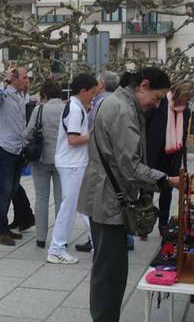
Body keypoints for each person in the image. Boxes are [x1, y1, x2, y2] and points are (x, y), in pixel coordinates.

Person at [78, 68, 180, 322]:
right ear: (143, 85)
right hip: (108, 197)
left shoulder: (121, 104)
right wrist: (167, 180)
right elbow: (130, 166)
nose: (155, 105)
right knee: (110, 272)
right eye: (156, 98)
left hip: (106, 193)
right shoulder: (123, 110)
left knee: (108, 269)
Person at [47, 73, 98, 264]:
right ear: (83, 91)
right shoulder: (76, 109)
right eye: (92, 92)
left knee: (81, 206)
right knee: (70, 207)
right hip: (72, 163)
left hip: (73, 162)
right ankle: (56, 248)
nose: (93, 96)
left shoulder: (76, 106)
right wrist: (94, 134)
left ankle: (96, 243)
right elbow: (73, 139)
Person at [145, 80, 194, 237]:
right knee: (148, 190)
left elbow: (182, 137)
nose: (188, 101)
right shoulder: (159, 104)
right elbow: (145, 126)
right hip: (154, 154)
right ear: (180, 93)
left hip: (172, 156)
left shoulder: (185, 111)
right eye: (187, 97)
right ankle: (145, 223)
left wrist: (183, 162)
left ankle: (163, 224)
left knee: (167, 192)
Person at [0, 67, 34, 246]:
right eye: (24, 77)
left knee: (13, 189)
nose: (27, 81)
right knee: (4, 190)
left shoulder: (23, 96)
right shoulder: (4, 93)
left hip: (17, 148)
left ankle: (7, 227)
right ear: (14, 79)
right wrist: (5, 81)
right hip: (4, 148)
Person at [76, 71, 120, 253]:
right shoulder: (116, 102)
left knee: (97, 201)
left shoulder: (102, 103)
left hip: (101, 161)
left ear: (101, 85)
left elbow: (95, 133)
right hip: (112, 159)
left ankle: (98, 241)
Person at [23, 79, 65, 248]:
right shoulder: (68, 109)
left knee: (41, 198)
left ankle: (41, 238)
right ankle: (60, 237)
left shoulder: (39, 109)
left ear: (44, 95)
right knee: (61, 200)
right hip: (63, 159)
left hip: (40, 159)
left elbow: (28, 134)